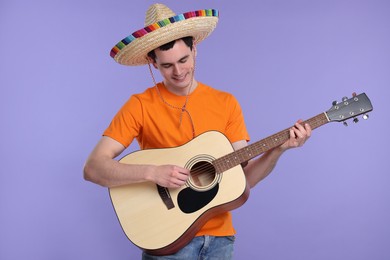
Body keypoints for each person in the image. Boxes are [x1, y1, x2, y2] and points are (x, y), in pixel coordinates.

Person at [84, 3, 311, 260]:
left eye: (183, 59)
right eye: (167, 65)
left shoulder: (226, 103)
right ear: (152, 61)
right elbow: (93, 168)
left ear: (194, 48)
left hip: (220, 242)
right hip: (166, 238)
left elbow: (245, 180)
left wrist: (278, 150)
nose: (179, 72)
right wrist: (152, 172)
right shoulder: (140, 105)